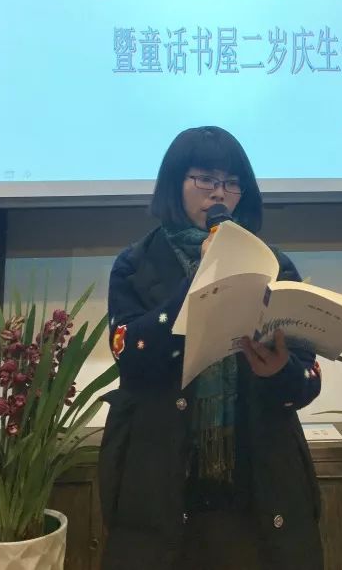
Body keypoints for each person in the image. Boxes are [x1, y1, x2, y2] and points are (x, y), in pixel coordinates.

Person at [99, 126, 324, 570]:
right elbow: (129, 357)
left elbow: (305, 383)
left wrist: (279, 371)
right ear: (175, 183)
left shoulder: (273, 266)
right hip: (159, 485)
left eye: (231, 182)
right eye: (205, 179)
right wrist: (202, 279)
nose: (219, 193)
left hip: (261, 490)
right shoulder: (135, 264)